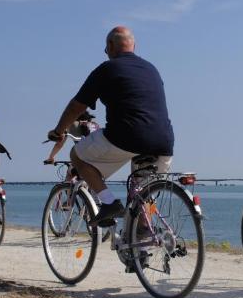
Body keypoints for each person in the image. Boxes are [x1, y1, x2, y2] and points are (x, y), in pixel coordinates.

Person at [47, 26, 174, 224]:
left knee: (77, 156)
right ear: (134, 46)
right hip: (163, 141)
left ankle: (109, 202)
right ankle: (143, 237)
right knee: (142, 194)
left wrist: (58, 130)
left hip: (126, 136)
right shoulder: (151, 68)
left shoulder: (107, 69)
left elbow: (76, 107)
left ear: (111, 46)